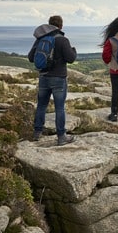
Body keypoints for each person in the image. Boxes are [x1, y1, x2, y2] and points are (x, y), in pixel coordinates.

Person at [28, 15, 77, 145]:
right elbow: (71, 58)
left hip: (44, 77)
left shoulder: (40, 39)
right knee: (59, 108)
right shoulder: (63, 40)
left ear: (49, 24)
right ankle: (61, 137)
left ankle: (37, 133)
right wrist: (74, 51)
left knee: (41, 105)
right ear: (61, 26)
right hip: (59, 78)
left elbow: (31, 57)